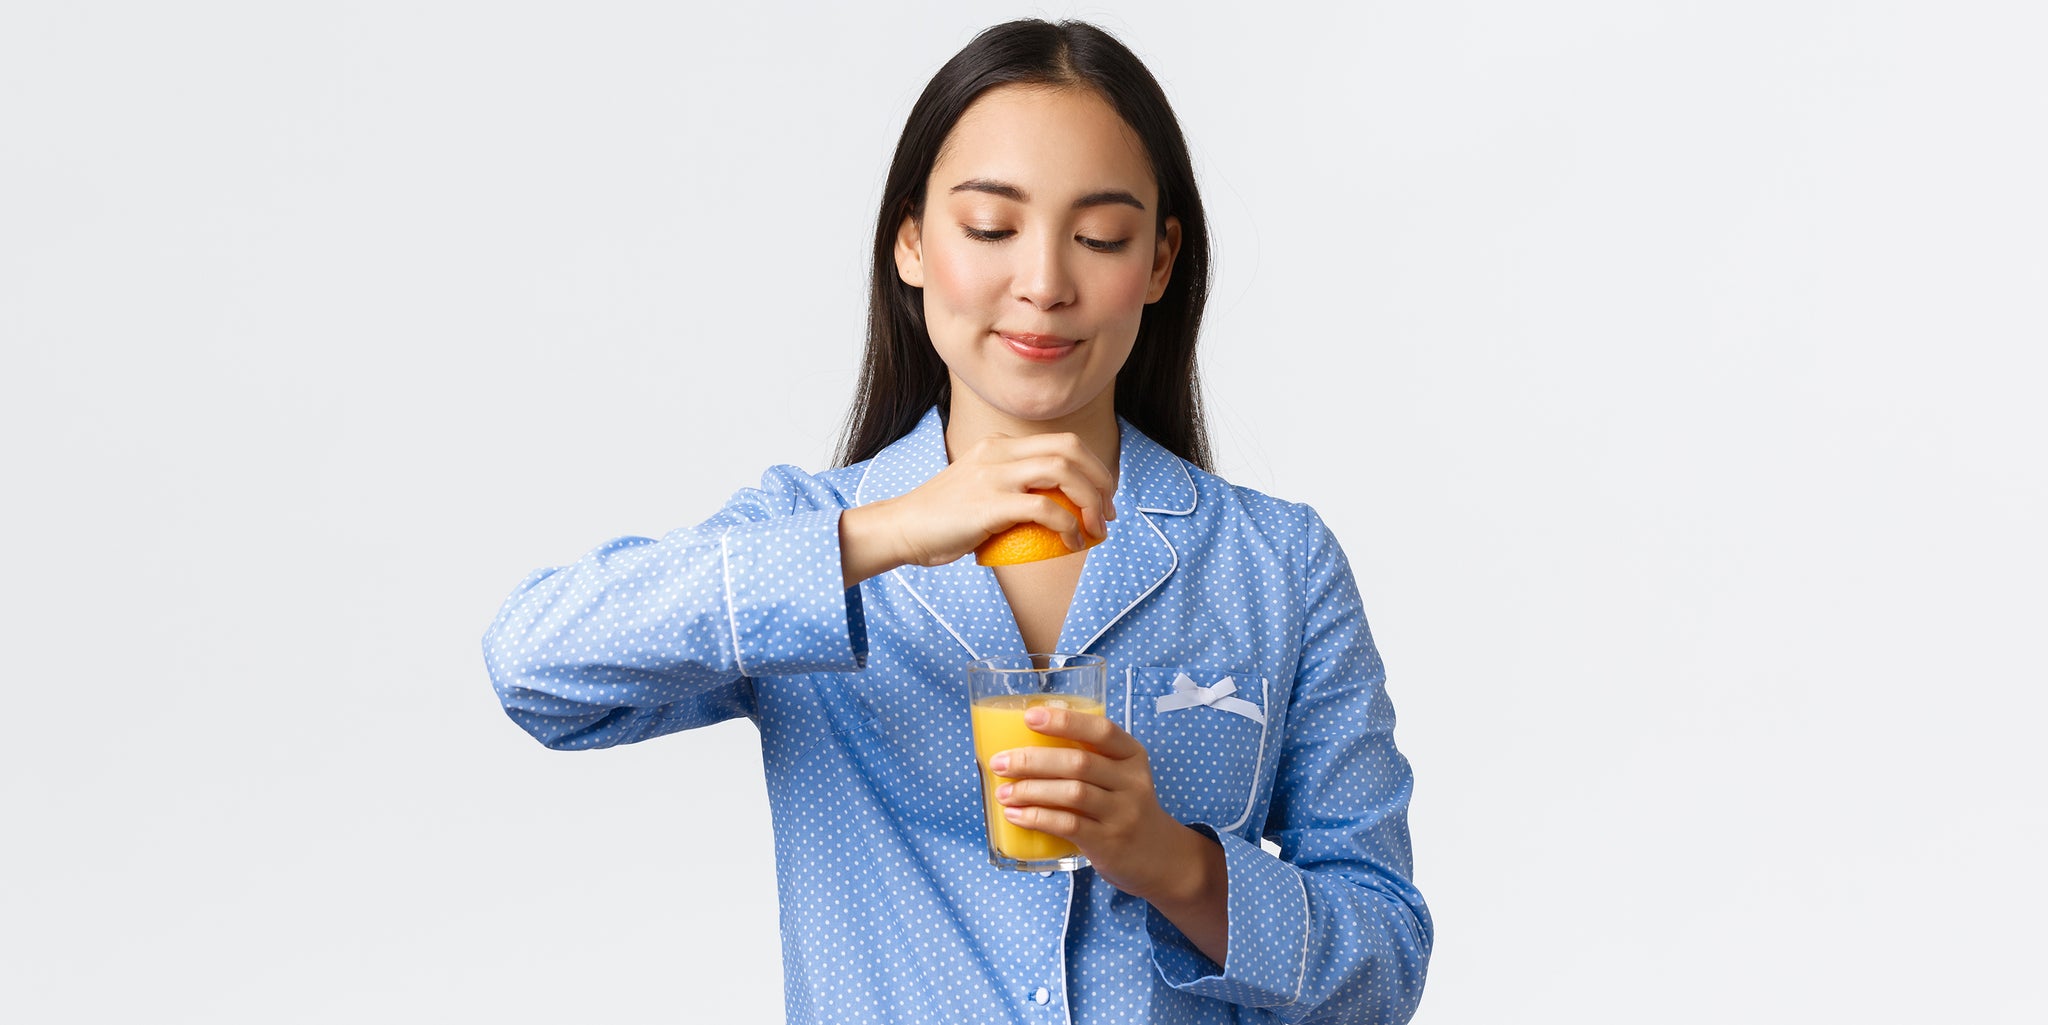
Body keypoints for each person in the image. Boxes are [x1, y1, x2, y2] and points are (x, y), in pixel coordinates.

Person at [481, 18, 1432, 1024]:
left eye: (1100, 237)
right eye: (988, 227)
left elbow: (1383, 964)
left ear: (1157, 263)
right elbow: (533, 667)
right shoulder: (812, 537)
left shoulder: (1274, 565)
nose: (1044, 284)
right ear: (911, 243)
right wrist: (879, 534)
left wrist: (1175, 864)